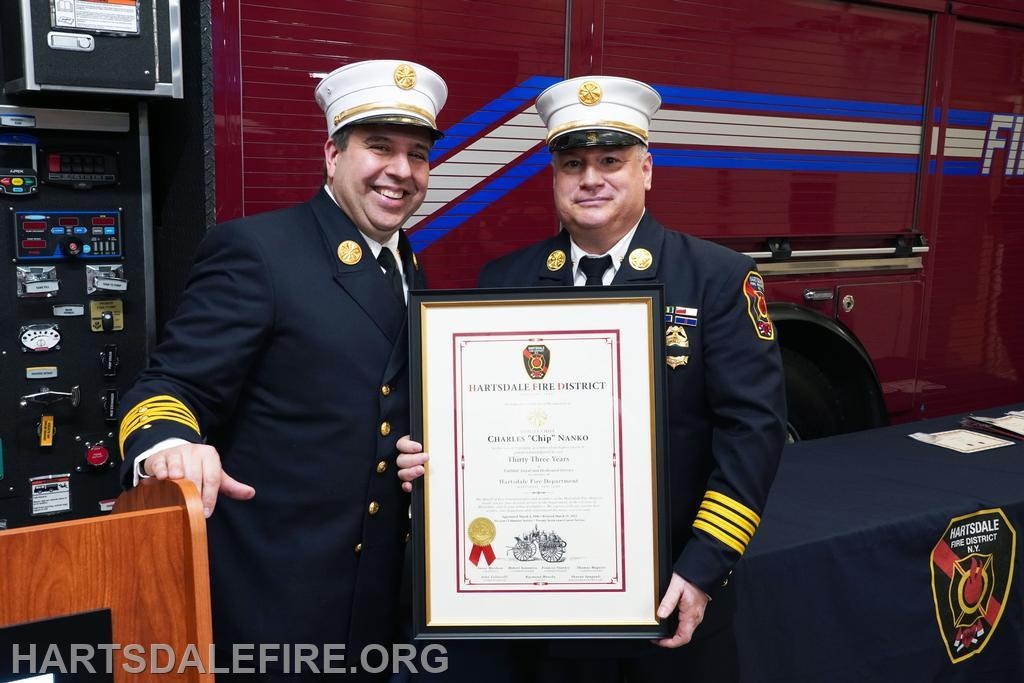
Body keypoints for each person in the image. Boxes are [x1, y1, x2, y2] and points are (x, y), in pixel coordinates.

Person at [397, 75, 786, 682]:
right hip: (531, 605)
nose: (590, 179)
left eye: (612, 160)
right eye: (572, 163)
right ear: (554, 176)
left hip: (666, 596)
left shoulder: (718, 279)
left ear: (648, 169)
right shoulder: (504, 280)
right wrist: (434, 459)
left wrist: (704, 566)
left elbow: (753, 435)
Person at [117, 59, 447, 678]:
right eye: (380, 147)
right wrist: (172, 447)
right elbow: (169, 385)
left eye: (418, 155)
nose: (401, 172)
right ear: (332, 153)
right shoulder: (258, 252)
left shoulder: (407, 265)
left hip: (379, 603)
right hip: (278, 605)